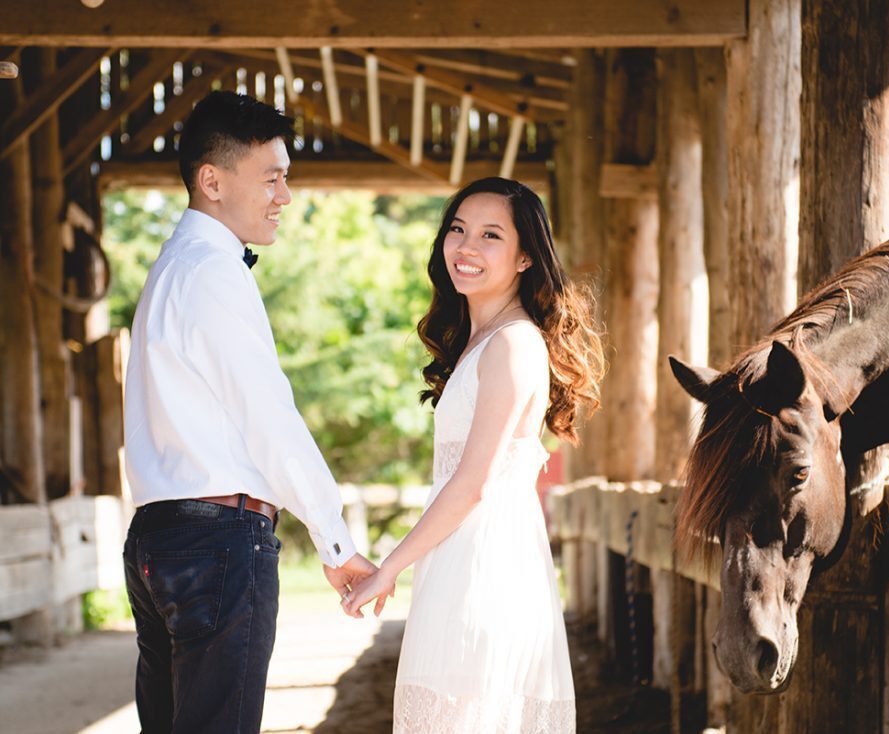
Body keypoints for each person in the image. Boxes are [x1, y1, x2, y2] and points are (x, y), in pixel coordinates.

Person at [122, 91, 376, 734]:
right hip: (216, 543)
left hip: (159, 536)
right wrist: (334, 540)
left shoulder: (171, 268)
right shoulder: (212, 271)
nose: (285, 196)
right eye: (271, 178)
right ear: (212, 182)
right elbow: (269, 420)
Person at [342, 177, 605, 733]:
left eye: (491, 235)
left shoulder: (513, 344)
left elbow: (473, 483)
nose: (466, 247)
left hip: (487, 568)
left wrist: (388, 568)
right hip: (461, 560)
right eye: (458, 229)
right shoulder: (482, 341)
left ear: (525, 257)